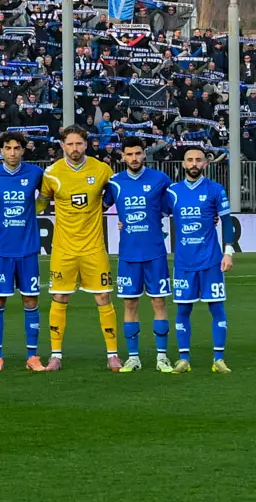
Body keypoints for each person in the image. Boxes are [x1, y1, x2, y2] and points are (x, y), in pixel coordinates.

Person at [38, 125, 123, 371]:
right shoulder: (52, 173)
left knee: (103, 297)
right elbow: (41, 205)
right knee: (59, 297)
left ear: (86, 144)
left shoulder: (102, 169)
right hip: (63, 248)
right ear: (62, 145)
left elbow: (120, 193)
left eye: (79, 144)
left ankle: (112, 355)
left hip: (94, 248)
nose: (75, 149)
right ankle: (55, 356)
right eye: (70, 144)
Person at [164, 144, 235, 373]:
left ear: (205, 163)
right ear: (183, 163)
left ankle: (218, 359)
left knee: (217, 308)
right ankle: (184, 359)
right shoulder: (172, 192)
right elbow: (156, 217)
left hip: (211, 260)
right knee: (183, 310)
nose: (194, 164)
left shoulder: (215, 189)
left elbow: (227, 221)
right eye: (190, 160)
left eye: (198, 160)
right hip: (184, 262)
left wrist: (228, 252)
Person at [106, 135, 174, 372]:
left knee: (159, 301)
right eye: (129, 154)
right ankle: (133, 358)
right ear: (122, 156)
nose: (134, 158)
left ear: (144, 154)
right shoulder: (115, 182)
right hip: (128, 254)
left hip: (155, 252)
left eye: (138, 153)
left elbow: (176, 205)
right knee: (130, 304)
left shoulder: (160, 179)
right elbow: (97, 208)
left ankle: (162, 357)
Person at [0, 133, 47, 371]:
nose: (12, 152)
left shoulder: (34, 173)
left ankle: (32, 357)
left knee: (31, 299)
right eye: (8, 148)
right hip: (1, 250)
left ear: (23, 150)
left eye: (16, 148)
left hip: (28, 249)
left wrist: (36, 210)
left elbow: (49, 193)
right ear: (1, 150)